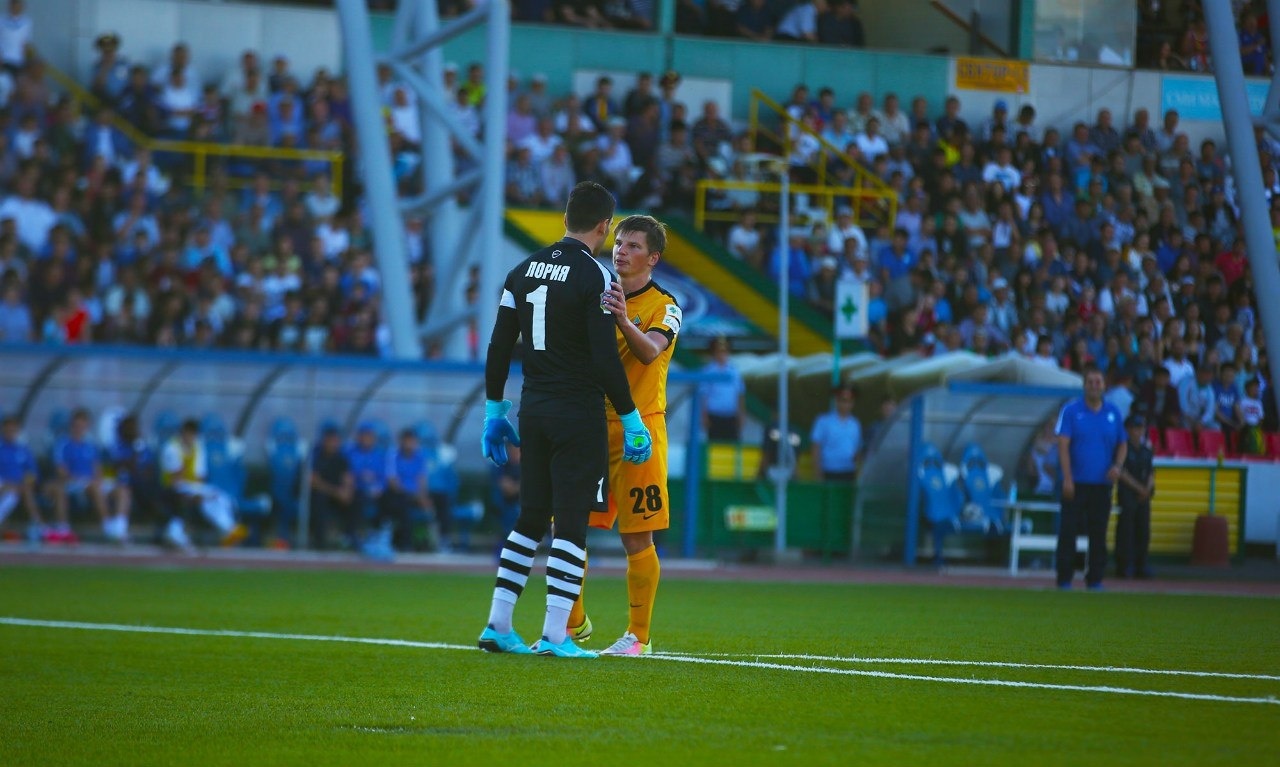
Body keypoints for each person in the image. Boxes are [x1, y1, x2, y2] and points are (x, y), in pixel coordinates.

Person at [477, 181, 653, 659]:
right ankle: (557, 635)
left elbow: (499, 347)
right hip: (577, 415)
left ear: (564, 219)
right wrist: (631, 418)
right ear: (605, 227)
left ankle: (498, 624)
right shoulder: (596, 277)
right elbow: (604, 359)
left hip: (533, 410)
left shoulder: (520, 271)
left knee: (530, 516)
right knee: (571, 522)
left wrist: (494, 411)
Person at [566, 214, 681, 657]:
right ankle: (570, 624)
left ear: (653, 258)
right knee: (569, 526)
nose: (621, 251)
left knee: (637, 537)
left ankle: (639, 637)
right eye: (618, 243)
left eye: (634, 246)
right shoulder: (595, 293)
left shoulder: (664, 306)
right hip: (592, 426)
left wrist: (622, 320)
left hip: (640, 431)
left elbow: (650, 351)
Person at [1055, 365, 1126, 590]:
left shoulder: (1113, 412)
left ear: (1104, 385)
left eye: (1098, 382)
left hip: (1101, 483)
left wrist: (1117, 466)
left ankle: (1095, 578)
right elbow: (1063, 445)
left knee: (1098, 533)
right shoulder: (1071, 410)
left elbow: (1122, 443)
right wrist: (1067, 478)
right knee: (1068, 531)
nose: (1095, 386)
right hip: (1076, 482)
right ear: (1084, 385)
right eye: (1090, 382)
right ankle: (1064, 579)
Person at [159, 418, 248, 551]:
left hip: (192, 486)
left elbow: (200, 475)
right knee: (205, 499)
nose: (191, 437)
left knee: (218, 496)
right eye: (189, 434)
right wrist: (195, 491)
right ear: (183, 433)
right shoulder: (171, 448)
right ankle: (228, 529)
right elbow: (175, 478)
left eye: (194, 434)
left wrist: (198, 491)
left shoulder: (197, 447)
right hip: (172, 487)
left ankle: (230, 529)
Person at [48, 408, 119, 543]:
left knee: (121, 490)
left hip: (89, 482)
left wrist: (99, 479)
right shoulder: (63, 444)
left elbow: (97, 467)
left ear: (87, 426)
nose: (79, 429)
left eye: (82, 426)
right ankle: (107, 528)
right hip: (72, 482)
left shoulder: (91, 445)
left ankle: (119, 527)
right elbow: (60, 469)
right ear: (71, 426)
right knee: (93, 488)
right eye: (76, 425)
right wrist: (77, 479)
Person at [1115, 414, 1154, 579]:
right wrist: (1139, 488)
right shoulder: (1123, 449)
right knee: (1126, 531)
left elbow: (1151, 472)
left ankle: (1141, 565)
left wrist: (1147, 489)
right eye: (1135, 428)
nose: (1138, 431)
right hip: (1128, 495)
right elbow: (1121, 472)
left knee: (1143, 531)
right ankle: (1124, 565)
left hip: (1144, 497)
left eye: (1141, 428)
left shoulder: (1146, 450)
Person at [308, 423, 353, 550]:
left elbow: (348, 478)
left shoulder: (341, 458)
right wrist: (336, 492)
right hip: (319, 494)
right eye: (330, 441)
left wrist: (347, 491)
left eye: (335, 441)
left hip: (336, 496)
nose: (333, 444)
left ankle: (349, 539)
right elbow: (313, 481)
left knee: (358, 498)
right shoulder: (314, 456)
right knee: (320, 499)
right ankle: (320, 542)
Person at [809, 383, 862, 481]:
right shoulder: (823, 421)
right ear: (837, 400)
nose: (846, 404)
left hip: (849, 472)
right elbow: (816, 448)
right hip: (829, 471)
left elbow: (857, 450)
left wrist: (858, 473)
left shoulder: (855, 424)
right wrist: (817, 473)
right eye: (843, 400)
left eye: (850, 401)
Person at [0, 413, 40, 539]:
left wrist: (27, 482)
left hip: (20, 486)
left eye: (13, 430)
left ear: (17, 431)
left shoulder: (23, 449)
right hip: (3, 483)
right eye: (7, 430)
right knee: (9, 490)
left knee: (24, 490)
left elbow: (33, 473)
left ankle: (38, 526)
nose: (10, 433)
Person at [699, 335, 746, 440]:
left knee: (732, 444)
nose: (722, 355)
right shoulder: (708, 371)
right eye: (719, 352)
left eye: (725, 352)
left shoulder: (734, 371)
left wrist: (741, 414)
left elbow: (740, 393)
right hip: (714, 416)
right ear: (714, 353)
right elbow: (703, 395)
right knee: (714, 444)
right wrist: (704, 416)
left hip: (731, 416)